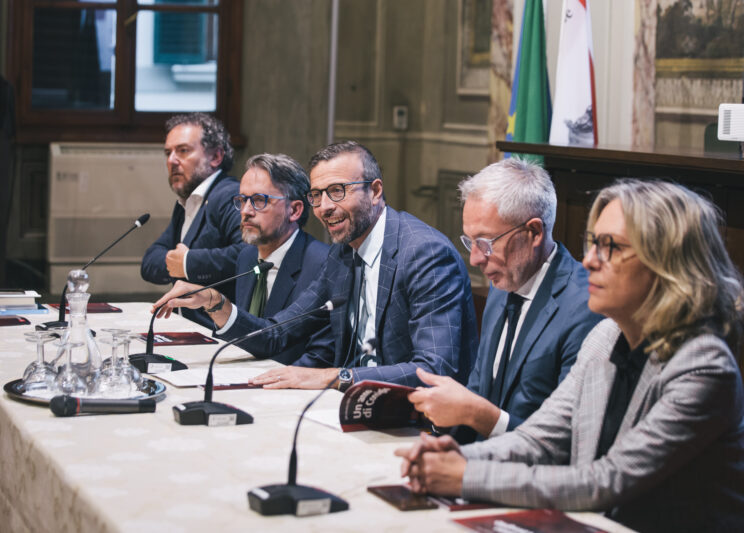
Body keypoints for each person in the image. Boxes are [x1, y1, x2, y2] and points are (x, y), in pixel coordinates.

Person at [395, 179, 744, 533]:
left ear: (666, 261)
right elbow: (538, 439)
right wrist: (451, 457)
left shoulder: (703, 367)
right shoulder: (605, 337)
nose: (589, 260)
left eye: (611, 247)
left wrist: (465, 475)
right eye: (593, 243)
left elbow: (607, 480)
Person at [153, 141, 478, 390]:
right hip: (348, 405)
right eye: (317, 195)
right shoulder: (343, 255)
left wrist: (334, 377)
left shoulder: (424, 253)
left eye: (337, 191)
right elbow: (276, 335)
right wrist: (214, 301)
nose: (324, 207)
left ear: (375, 191)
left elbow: (434, 370)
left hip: (418, 422)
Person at [408, 158, 602, 442]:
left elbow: (567, 442)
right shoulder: (502, 284)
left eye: (486, 243)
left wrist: (475, 414)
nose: (475, 259)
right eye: (470, 242)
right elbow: (478, 391)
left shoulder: (587, 308)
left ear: (534, 232)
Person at [141, 113, 244, 328]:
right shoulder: (187, 202)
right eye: (168, 152)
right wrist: (178, 263)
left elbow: (248, 256)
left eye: (183, 150)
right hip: (187, 326)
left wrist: (188, 263)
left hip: (219, 331)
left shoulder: (230, 196)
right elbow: (150, 262)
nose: (171, 160)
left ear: (216, 156)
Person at [233, 153, 329, 364]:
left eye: (259, 200)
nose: (246, 211)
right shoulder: (246, 257)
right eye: (242, 200)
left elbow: (319, 357)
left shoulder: (322, 264)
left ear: (294, 210)